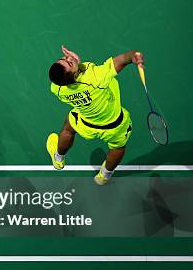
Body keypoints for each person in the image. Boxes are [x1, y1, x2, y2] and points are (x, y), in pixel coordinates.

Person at [46, 45, 145, 184]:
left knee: (68, 127)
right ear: (74, 74)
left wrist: (75, 62)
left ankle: (58, 159)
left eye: (62, 58)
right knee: (118, 148)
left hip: (86, 123)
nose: (67, 58)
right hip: (115, 125)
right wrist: (135, 55)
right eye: (68, 62)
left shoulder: (57, 89)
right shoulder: (96, 78)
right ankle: (104, 176)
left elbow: (73, 77)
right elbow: (123, 59)